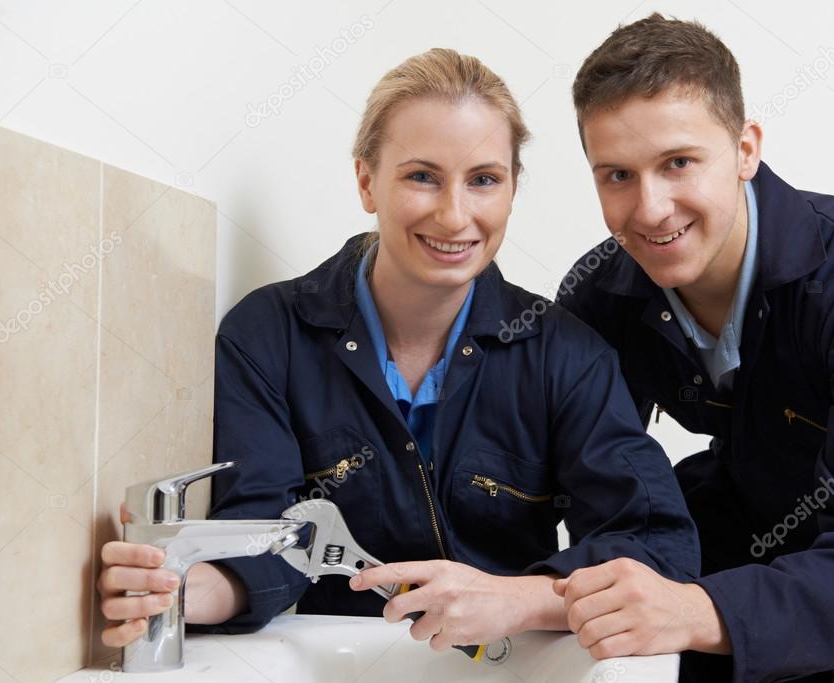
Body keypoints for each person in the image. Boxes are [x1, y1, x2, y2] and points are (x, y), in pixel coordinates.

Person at [96, 47, 699, 654]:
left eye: (484, 180)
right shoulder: (268, 335)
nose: (454, 214)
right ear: (366, 181)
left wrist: (523, 599)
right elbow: (267, 540)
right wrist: (179, 590)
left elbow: (655, 546)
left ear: (513, 188)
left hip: (514, 665)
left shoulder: (566, 354)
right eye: (421, 176)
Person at [553, 13, 834, 682]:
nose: (650, 208)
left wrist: (692, 610)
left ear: (746, 149)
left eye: (678, 162)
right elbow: (553, 470)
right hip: (755, 549)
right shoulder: (602, 293)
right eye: (616, 175)